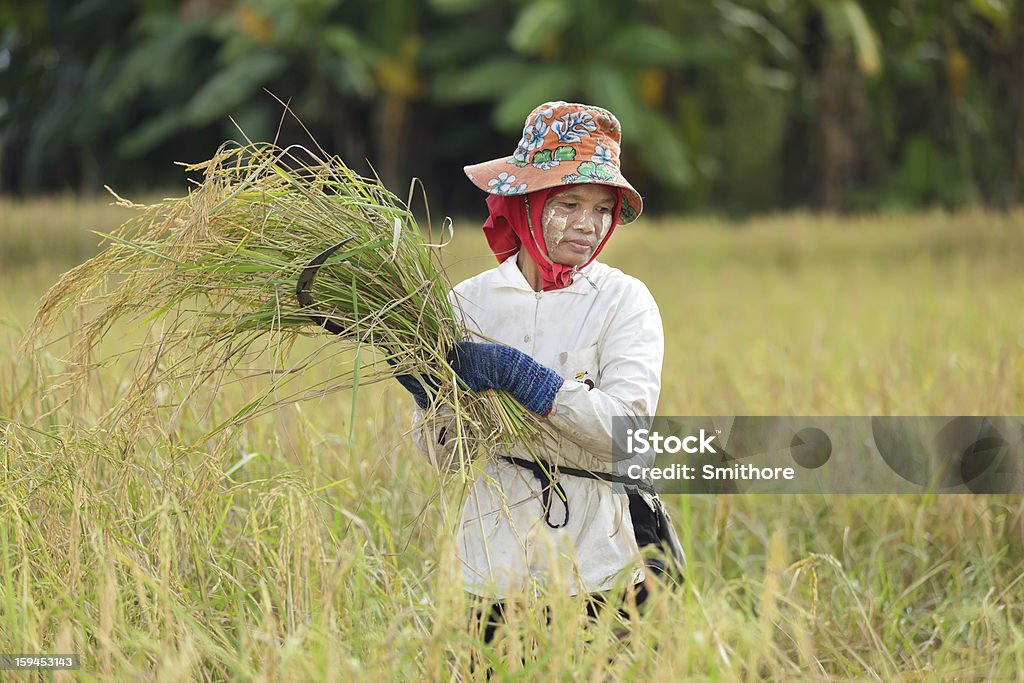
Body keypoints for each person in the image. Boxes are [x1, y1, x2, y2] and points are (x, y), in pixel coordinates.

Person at [399, 101, 678, 639]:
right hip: (490, 566)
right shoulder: (468, 304)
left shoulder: (624, 302)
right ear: (526, 203)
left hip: (599, 564)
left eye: (602, 209)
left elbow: (630, 436)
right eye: (569, 202)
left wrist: (527, 379)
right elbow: (447, 459)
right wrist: (432, 400)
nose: (587, 224)